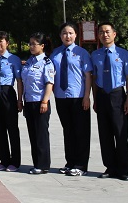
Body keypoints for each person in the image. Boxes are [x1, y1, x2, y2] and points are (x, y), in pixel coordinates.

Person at [91, 21, 128, 181]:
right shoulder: (95, 55)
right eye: (101, 32)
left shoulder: (123, 54)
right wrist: (95, 98)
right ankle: (110, 166)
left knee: (120, 132)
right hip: (102, 95)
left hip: (117, 95)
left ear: (114, 34)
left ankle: (123, 169)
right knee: (105, 133)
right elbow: (94, 78)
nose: (105, 35)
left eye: (107, 31)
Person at [49, 22, 92, 177]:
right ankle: (70, 162)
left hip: (78, 97)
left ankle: (81, 165)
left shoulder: (82, 53)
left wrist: (87, 96)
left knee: (81, 131)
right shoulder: (55, 53)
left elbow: (88, 76)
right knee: (68, 131)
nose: (67, 36)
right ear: (60, 36)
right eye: (64, 33)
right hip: (61, 97)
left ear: (76, 35)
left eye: (70, 33)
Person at [21, 32, 54, 175]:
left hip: (41, 102)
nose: (31, 46)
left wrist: (45, 101)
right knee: (33, 134)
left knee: (41, 135)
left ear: (42, 46)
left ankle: (43, 164)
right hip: (29, 101)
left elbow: (49, 83)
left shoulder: (46, 62)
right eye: (30, 44)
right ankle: (36, 163)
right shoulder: (29, 61)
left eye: (34, 44)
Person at [0, 30, 23, 173]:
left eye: (1, 41)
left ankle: (15, 162)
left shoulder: (13, 59)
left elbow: (19, 81)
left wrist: (19, 100)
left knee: (12, 129)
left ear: (7, 43)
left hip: (8, 93)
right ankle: (3, 160)